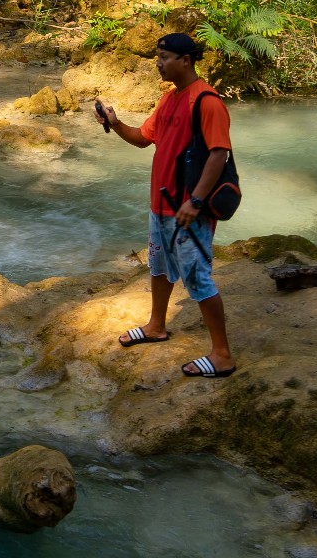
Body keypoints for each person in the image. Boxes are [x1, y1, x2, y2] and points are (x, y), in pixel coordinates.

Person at [94, 32, 237, 378]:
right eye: (158, 57)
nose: (158, 64)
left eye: (164, 57)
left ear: (185, 60)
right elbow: (144, 139)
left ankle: (222, 355)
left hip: (189, 209)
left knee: (197, 278)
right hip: (161, 204)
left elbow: (219, 153)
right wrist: (114, 123)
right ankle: (156, 325)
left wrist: (196, 200)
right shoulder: (170, 99)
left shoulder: (207, 102)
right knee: (159, 266)